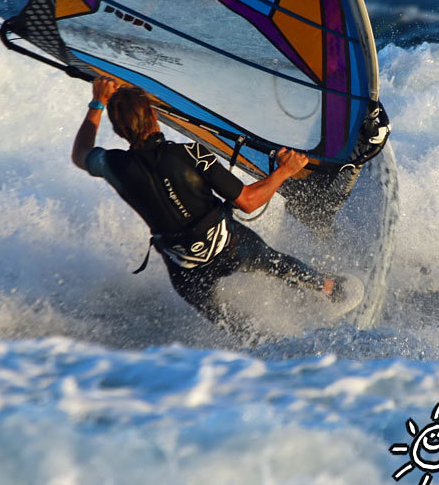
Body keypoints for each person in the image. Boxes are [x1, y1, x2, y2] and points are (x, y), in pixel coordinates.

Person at [71, 76, 343, 327]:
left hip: (184, 270)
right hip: (228, 246)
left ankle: (266, 353)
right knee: (275, 262)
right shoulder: (191, 154)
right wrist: (285, 170)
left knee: (233, 324)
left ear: (119, 131)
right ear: (153, 115)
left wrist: (98, 103)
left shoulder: (113, 165)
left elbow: (80, 153)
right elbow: (248, 201)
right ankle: (330, 289)